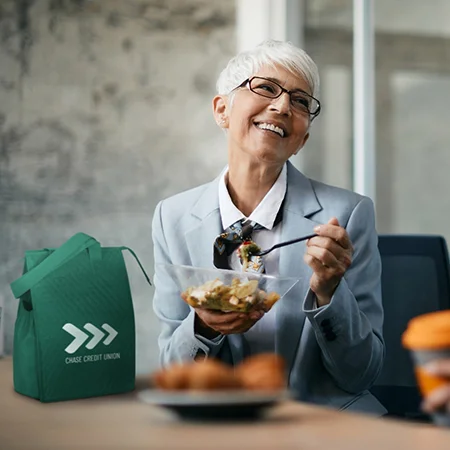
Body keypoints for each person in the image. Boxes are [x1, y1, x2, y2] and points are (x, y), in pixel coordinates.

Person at [152, 40, 386, 415]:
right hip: (220, 423)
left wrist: (329, 293)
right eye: (265, 88)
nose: (281, 106)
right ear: (222, 109)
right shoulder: (172, 217)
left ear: (302, 138)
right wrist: (203, 326)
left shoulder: (348, 215)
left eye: (300, 101)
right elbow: (172, 371)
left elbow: (362, 375)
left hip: (325, 423)